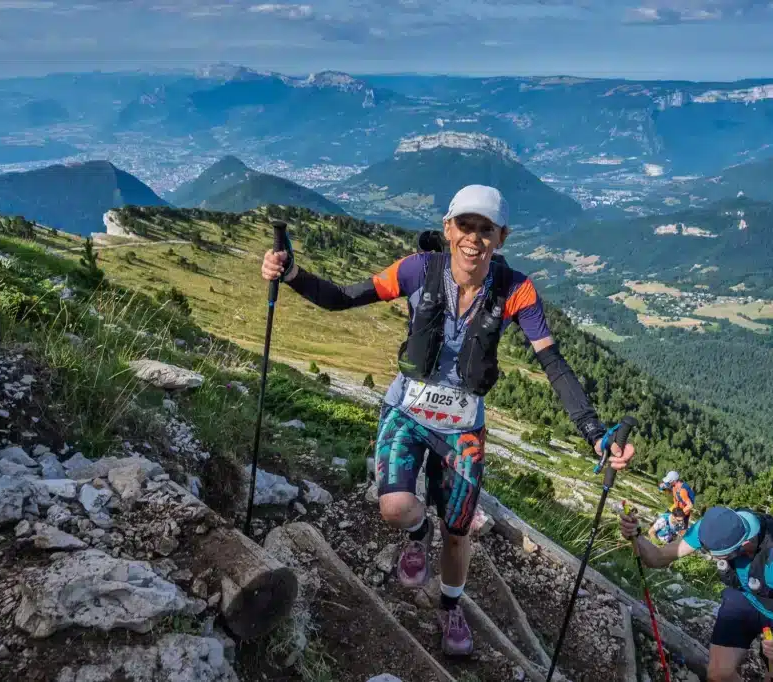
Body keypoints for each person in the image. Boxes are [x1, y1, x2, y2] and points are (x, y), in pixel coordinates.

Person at [262, 184, 636, 656]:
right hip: (407, 411)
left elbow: (553, 364)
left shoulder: (516, 291)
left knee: (458, 531)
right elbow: (343, 297)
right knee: (395, 507)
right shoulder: (418, 269)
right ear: (447, 228)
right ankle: (418, 534)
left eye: (485, 229)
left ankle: (449, 607)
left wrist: (594, 434)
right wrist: (291, 273)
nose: (473, 239)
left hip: (463, 429)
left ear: (501, 236)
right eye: (465, 226)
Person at [619, 505, 773, 681]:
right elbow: (659, 557)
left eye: (718, 555)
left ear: (744, 544)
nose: (711, 557)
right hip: (745, 598)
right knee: (719, 674)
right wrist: (636, 535)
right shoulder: (714, 527)